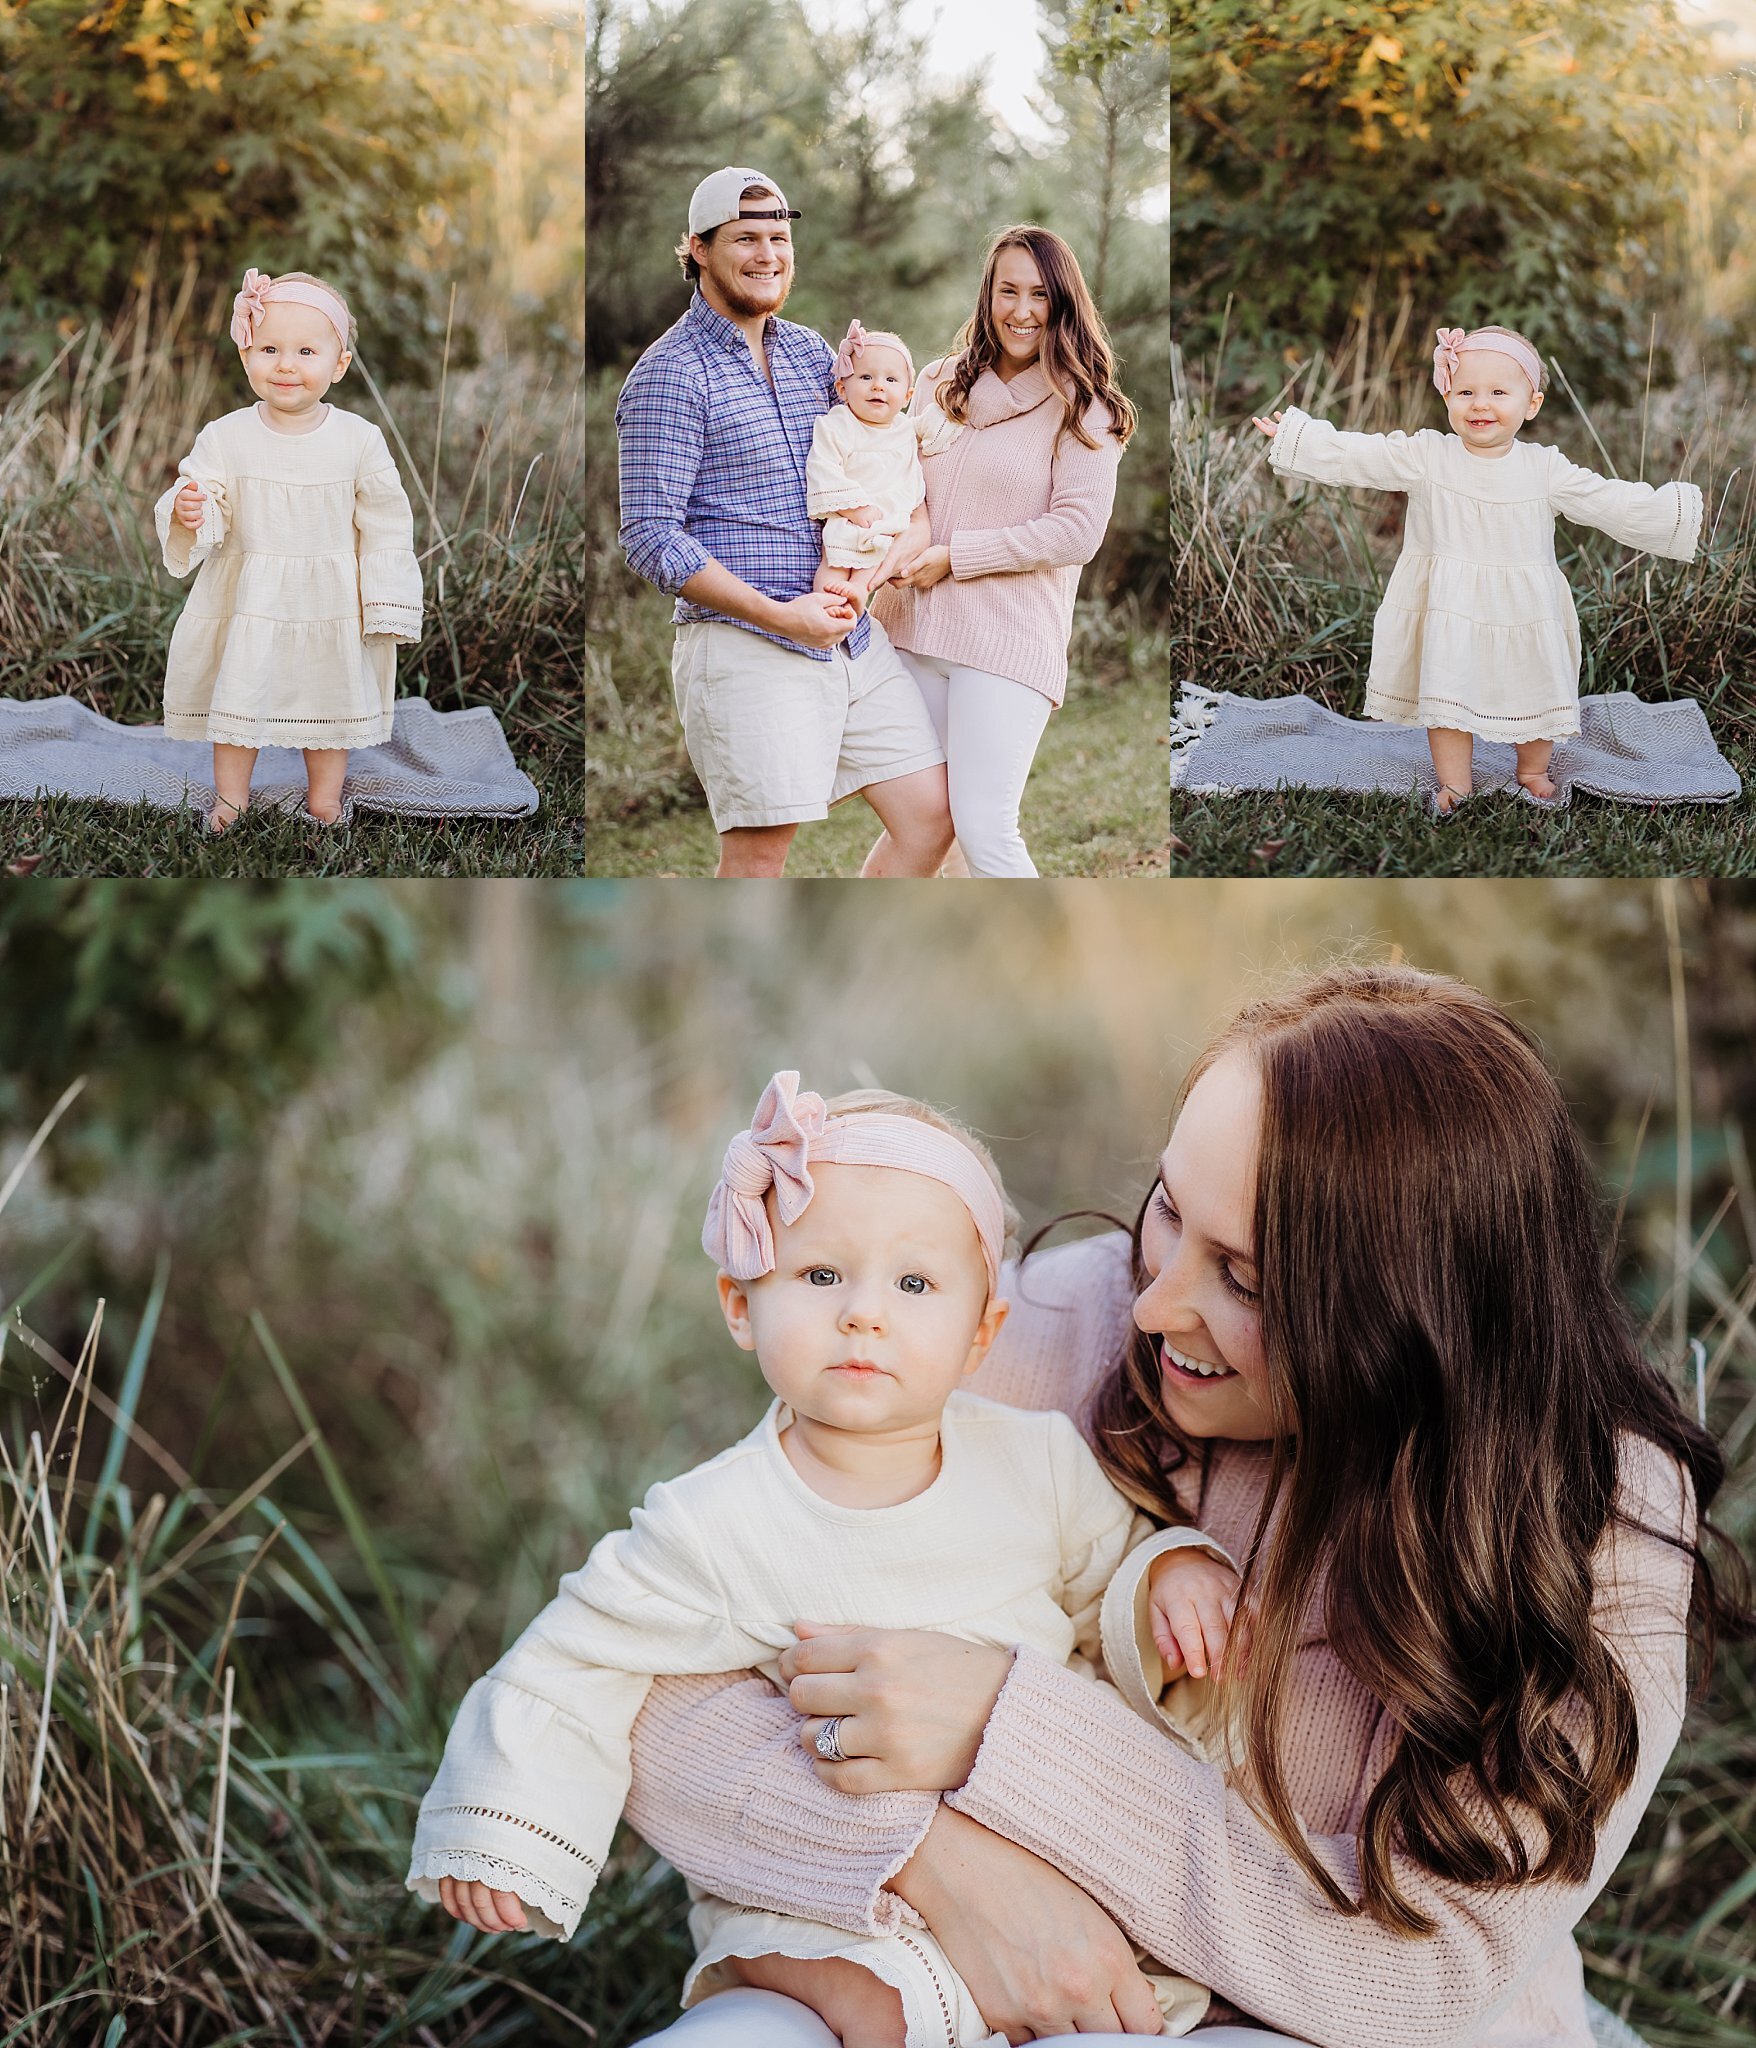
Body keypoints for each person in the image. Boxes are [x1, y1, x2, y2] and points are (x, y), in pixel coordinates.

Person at [620, 964, 1752, 2048]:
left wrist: (1003, 1726)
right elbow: (655, 1687)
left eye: (1246, 1279)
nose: (1154, 1304)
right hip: (964, 1980)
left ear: (1412, 1319)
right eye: (1168, 1208)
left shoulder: (1591, 1517)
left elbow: (1416, 1971)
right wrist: (939, 1858)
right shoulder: (1054, 1331)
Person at [408, 1073, 1236, 2047]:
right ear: (738, 1303)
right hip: (828, 1922)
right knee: (783, 2023)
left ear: (982, 1333)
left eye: (913, 1283)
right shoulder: (715, 1518)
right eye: (819, 1275)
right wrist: (506, 1822)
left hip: (1046, 1891)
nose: (863, 1314)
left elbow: (1113, 1570)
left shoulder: (1035, 1461)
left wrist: (1172, 1575)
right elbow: (578, 1649)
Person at [615, 167, 954, 879]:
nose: (768, 254)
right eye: (746, 238)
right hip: (747, 645)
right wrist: (781, 615)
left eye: (779, 237)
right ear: (698, 249)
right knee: (760, 854)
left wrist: (881, 565)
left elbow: (876, 450)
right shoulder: (669, 375)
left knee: (932, 820)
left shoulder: (809, 354)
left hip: (852, 637)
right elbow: (649, 536)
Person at [1255, 326, 1702, 817]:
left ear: (1531, 404)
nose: (1480, 404)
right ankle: (1455, 784)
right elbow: (1366, 454)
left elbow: (1607, 501)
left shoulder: (1543, 468)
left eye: (1497, 393)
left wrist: (1672, 511)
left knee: (1536, 688)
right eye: (1465, 392)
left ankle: (1532, 770)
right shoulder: (1429, 455)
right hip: (1452, 605)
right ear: (1446, 395)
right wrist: (1302, 437)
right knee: (1447, 694)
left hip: (1524, 609)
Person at [867, 225, 1135, 878]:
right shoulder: (935, 382)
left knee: (986, 828)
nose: (1021, 310)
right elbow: (889, 480)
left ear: (1063, 303)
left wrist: (958, 556)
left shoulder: (1084, 408)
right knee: (924, 828)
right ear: (987, 296)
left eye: (1039, 294)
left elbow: (1077, 531)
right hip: (908, 634)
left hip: (1005, 646)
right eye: (1007, 291)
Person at [155, 267, 423, 830]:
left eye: (306, 350)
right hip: (250, 597)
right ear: (245, 353)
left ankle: (324, 799)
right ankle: (231, 798)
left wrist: (386, 600)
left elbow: (387, 523)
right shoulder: (226, 435)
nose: (286, 364)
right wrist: (189, 508)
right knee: (238, 697)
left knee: (329, 700)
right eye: (270, 348)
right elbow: (205, 489)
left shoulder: (358, 439)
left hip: (330, 603)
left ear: (339, 364)